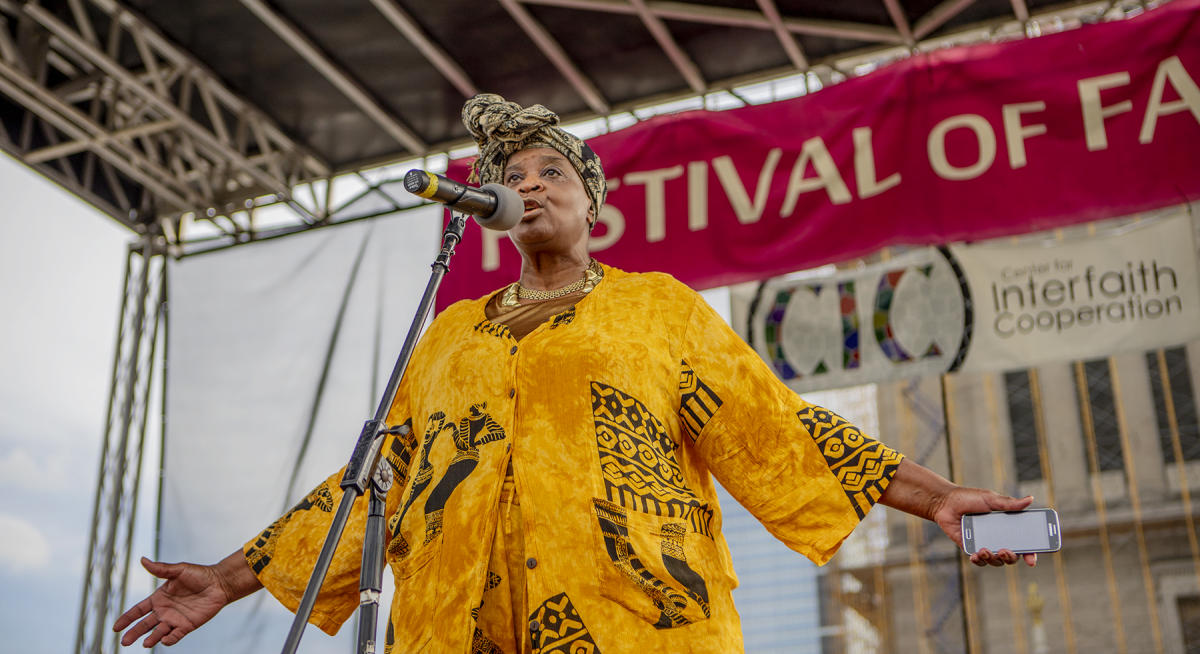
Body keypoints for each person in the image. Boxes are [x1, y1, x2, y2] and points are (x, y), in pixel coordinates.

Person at [113, 94, 1036, 653]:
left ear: (591, 200)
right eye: (514, 175)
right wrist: (231, 579)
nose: (533, 183)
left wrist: (938, 495)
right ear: (494, 209)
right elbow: (374, 486)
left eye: (551, 170)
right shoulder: (449, 336)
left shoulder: (655, 309)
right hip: (455, 629)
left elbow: (778, 430)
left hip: (629, 623)